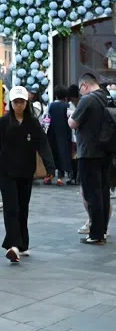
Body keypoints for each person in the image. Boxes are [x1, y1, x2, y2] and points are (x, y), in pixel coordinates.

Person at [0, 86, 55, 262]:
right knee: (11, 207)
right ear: (11, 103)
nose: (19, 105)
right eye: (16, 102)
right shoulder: (3, 122)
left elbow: (43, 145)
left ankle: (23, 243)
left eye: (22, 102)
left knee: (23, 206)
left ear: (26, 103)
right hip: (6, 171)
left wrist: (50, 168)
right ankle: (13, 245)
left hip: (25, 171)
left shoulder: (33, 123)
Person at [70, 74, 112, 245]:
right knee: (103, 193)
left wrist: (70, 116)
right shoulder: (106, 97)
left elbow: (73, 123)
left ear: (85, 86)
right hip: (106, 150)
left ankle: (96, 234)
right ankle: (102, 230)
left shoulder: (87, 100)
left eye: (81, 89)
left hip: (88, 152)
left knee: (91, 194)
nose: (81, 92)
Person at [47, 85, 75, 185]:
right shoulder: (67, 106)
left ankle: (50, 175)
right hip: (64, 133)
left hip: (52, 133)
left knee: (53, 153)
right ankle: (60, 177)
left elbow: (47, 118)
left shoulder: (51, 105)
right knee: (63, 153)